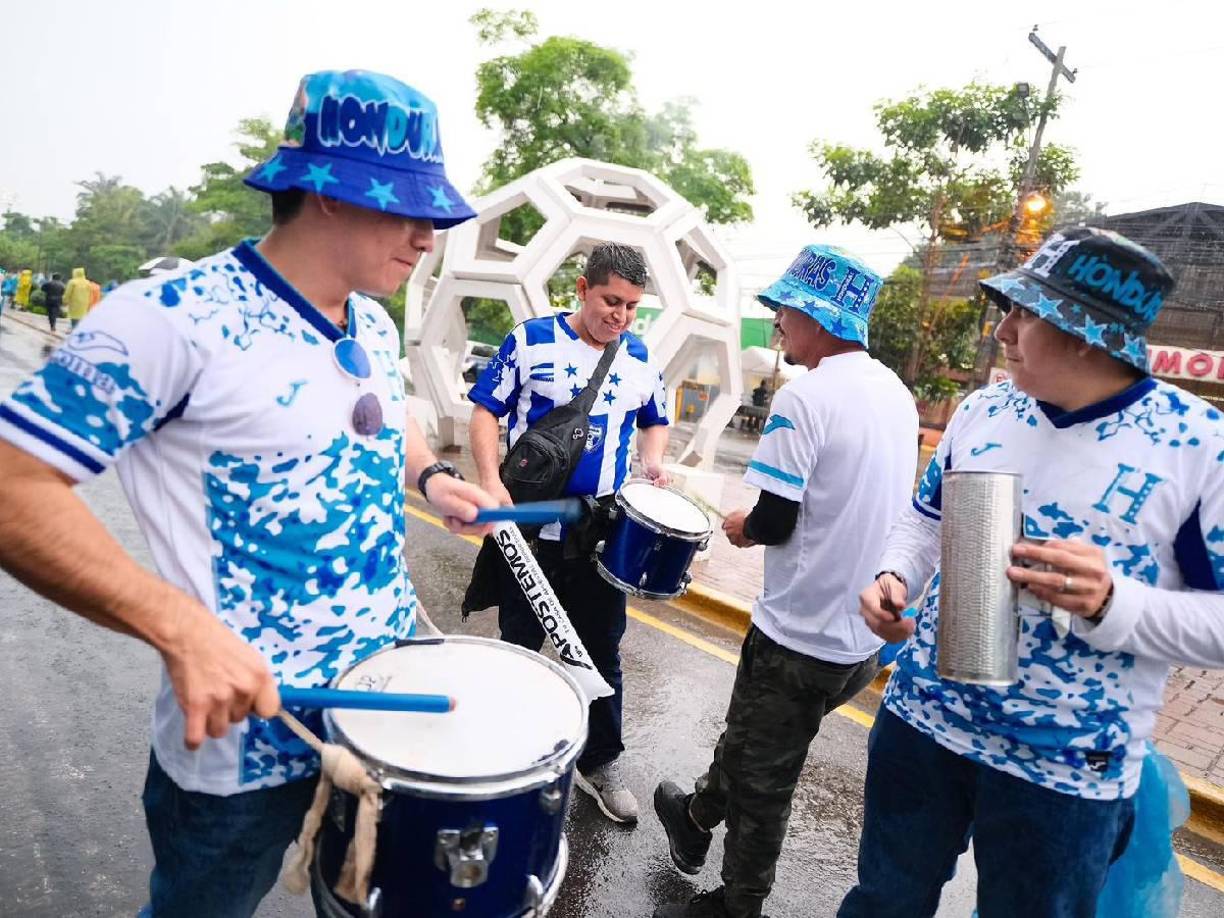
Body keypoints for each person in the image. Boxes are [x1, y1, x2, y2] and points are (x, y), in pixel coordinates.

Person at [0, 69, 497, 918]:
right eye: (409, 208)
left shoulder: (372, 320)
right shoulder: (169, 318)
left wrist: (433, 475)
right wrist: (177, 626)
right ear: (329, 195)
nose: (428, 237)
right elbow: (15, 486)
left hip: (380, 710)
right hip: (244, 746)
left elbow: (385, 422)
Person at [839, 226, 1224, 918]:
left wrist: (1115, 602)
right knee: (881, 902)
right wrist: (894, 576)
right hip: (924, 724)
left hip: (1066, 770)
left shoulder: (1200, 448)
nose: (1005, 329)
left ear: (1087, 336)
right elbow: (924, 522)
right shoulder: (984, 410)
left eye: (1026, 313)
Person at [652, 245, 918, 918]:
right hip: (861, 643)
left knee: (766, 774)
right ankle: (695, 813)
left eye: (783, 313)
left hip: (799, 634)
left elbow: (772, 520)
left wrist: (739, 526)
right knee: (759, 737)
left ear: (815, 317)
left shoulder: (806, 398)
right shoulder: (897, 394)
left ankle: (739, 903)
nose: (776, 327)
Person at [466, 242, 671, 824]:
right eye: (612, 301)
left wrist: (654, 462)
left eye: (632, 307)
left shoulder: (638, 357)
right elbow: (487, 411)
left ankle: (599, 762)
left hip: (601, 533)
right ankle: (507, 756)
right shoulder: (531, 340)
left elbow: (654, 421)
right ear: (582, 290)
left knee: (600, 649)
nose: (621, 317)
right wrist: (489, 482)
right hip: (529, 526)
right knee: (520, 645)